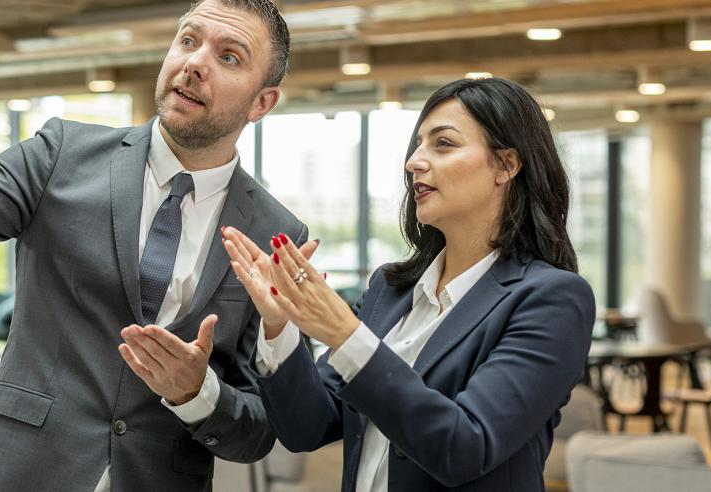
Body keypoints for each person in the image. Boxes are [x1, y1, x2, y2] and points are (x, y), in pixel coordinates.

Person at [0, 1, 309, 489]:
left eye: (229, 57)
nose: (195, 63)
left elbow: (260, 430)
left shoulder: (277, 237)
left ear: (262, 103)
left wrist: (196, 393)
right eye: (188, 40)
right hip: (16, 471)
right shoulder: (60, 154)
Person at [218, 77, 595, 490]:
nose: (415, 160)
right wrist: (278, 326)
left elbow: (465, 447)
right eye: (417, 145)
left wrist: (347, 336)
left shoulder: (551, 299)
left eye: (443, 143)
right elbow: (307, 428)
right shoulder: (390, 289)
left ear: (506, 164)